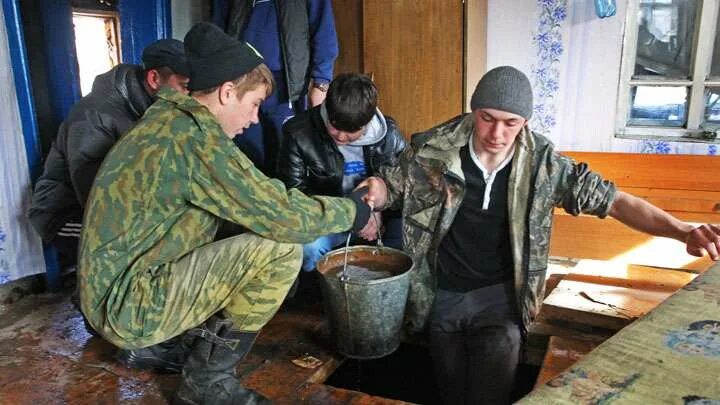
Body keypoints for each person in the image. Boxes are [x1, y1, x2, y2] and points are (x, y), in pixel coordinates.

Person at [360, 66, 720, 404]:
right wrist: (374, 194)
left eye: (510, 123)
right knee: (449, 388)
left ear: (525, 122)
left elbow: (615, 202)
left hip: (500, 297)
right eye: (486, 118)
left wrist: (682, 230)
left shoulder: (545, 165)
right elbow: (391, 184)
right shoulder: (433, 151)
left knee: (492, 387)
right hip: (442, 292)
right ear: (473, 112)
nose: (497, 134)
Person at [78, 22, 370, 404]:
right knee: (280, 249)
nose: (252, 119)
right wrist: (354, 212)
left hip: (110, 294)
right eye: (253, 105)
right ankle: (206, 384)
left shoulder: (167, 120)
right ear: (227, 92)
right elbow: (280, 213)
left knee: (231, 229)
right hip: (128, 306)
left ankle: (163, 346)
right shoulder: (195, 140)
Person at [28, 38, 190, 268]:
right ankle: (99, 298)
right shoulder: (95, 116)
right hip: (65, 212)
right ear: (154, 79)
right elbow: (96, 200)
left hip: (119, 202)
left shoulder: (155, 108)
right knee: (143, 243)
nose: (190, 95)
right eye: (185, 86)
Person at [278, 73, 406, 275]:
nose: (340, 136)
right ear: (327, 109)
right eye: (335, 126)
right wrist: (351, 217)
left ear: (367, 121)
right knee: (308, 248)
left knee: (406, 238)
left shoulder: (389, 135)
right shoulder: (298, 132)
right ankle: (323, 295)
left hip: (378, 218)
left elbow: (403, 188)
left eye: (351, 131)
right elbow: (294, 194)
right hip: (327, 217)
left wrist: (377, 211)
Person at [212, 0, 339, 176]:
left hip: (286, 84)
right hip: (242, 79)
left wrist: (321, 82)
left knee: (286, 158)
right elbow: (219, 27)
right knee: (244, 158)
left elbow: (323, 29)